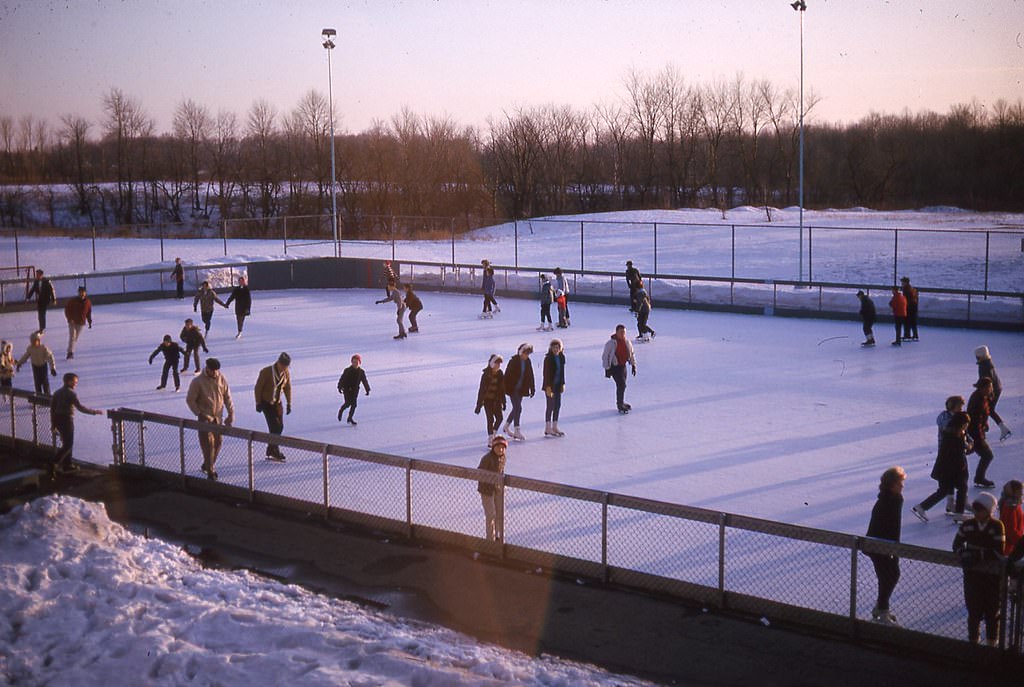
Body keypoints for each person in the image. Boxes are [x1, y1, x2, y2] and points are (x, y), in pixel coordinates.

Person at [952, 492, 1006, 645]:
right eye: (975, 510)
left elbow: (998, 551)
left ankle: (991, 643)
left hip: (992, 576)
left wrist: (977, 555)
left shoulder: (997, 526)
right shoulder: (968, 525)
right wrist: (963, 554)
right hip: (972, 575)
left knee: (992, 611)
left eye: (980, 510)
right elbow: (957, 544)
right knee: (973, 611)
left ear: (989, 511)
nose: (977, 513)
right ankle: (973, 642)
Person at [912, 411, 970, 522]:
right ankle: (958, 513)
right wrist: (967, 447)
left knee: (944, 490)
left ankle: (922, 507)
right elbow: (957, 455)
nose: (967, 426)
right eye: (966, 423)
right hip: (951, 470)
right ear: (961, 423)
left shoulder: (952, 433)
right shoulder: (955, 437)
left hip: (946, 469)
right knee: (960, 488)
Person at [865, 466, 905, 624]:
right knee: (887, 576)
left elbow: (895, 526)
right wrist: (890, 549)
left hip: (888, 545)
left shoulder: (896, 499)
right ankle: (882, 610)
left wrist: (894, 548)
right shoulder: (887, 501)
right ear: (891, 484)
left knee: (892, 574)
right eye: (899, 482)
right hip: (877, 546)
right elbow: (884, 527)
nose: (902, 485)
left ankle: (881, 607)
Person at [186, 357, 234, 480]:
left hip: (218, 418)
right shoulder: (198, 382)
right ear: (207, 368)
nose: (215, 373)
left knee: (218, 442)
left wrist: (231, 413)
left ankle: (207, 464)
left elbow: (227, 397)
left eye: (216, 371)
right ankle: (210, 472)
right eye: (212, 370)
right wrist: (199, 413)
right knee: (208, 444)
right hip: (205, 418)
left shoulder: (221, 378)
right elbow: (190, 400)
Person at [49, 373, 103, 477]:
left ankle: (67, 465)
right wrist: (94, 412)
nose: (76, 384)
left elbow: (52, 409)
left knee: (67, 442)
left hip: (58, 419)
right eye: (74, 381)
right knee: (68, 444)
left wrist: (53, 424)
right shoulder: (71, 394)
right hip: (67, 420)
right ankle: (53, 463)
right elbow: (80, 407)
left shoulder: (57, 393)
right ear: (68, 381)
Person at [254, 352, 292, 462]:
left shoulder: (286, 373)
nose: (285, 368)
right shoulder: (266, 372)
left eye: (286, 366)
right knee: (274, 427)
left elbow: (287, 387)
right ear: (279, 363)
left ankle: (271, 448)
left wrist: (289, 403)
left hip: (277, 403)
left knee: (280, 427)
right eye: (283, 365)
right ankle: (274, 450)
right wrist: (258, 403)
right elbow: (258, 388)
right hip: (266, 403)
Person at [975, 345, 1012, 441]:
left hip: (992, 390)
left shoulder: (984, 366)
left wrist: (987, 393)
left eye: (977, 357)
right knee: (988, 410)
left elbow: (987, 380)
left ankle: (986, 430)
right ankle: (990, 428)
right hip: (996, 388)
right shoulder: (987, 363)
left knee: (987, 410)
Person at [476, 433, 507, 542]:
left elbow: (501, 472)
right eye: (498, 447)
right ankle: (490, 539)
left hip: (497, 489)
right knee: (491, 514)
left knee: (499, 513)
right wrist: (489, 479)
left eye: (503, 448)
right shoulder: (487, 459)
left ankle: (497, 536)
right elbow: (479, 473)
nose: (501, 450)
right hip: (486, 490)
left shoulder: (503, 458)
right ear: (493, 447)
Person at [967, 377, 997, 488]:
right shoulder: (978, 400)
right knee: (987, 455)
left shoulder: (983, 397)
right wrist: (979, 437)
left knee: (983, 454)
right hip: (975, 433)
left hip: (977, 432)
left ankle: (979, 477)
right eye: (989, 387)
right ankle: (979, 478)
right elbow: (975, 420)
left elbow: (982, 415)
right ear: (983, 387)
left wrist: (985, 423)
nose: (991, 389)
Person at [502, 343, 535, 441]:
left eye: (528, 354)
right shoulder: (514, 361)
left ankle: (506, 426)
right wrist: (504, 388)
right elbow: (507, 375)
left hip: (521, 389)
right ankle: (516, 429)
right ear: (521, 352)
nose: (526, 356)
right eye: (525, 353)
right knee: (518, 408)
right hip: (512, 389)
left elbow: (530, 375)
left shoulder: (528, 362)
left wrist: (532, 388)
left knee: (516, 408)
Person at [602, 324, 638, 414]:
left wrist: (633, 365)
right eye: (621, 332)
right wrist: (607, 368)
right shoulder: (610, 343)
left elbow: (631, 353)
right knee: (621, 385)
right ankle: (620, 404)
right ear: (616, 332)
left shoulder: (627, 342)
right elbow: (605, 356)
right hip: (614, 367)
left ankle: (621, 402)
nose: (623, 334)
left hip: (623, 366)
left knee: (622, 385)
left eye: (624, 332)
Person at [475, 353, 506, 447]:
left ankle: (494, 433)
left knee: (499, 418)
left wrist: (504, 402)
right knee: (490, 419)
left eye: (499, 364)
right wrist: (479, 405)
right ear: (492, 364)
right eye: (496, 364)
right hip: (488, 401)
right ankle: (491, 438)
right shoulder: (486, 375)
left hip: (497, 401)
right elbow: (481, 390)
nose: (498, 366)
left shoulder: (500, 374)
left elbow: (502, 389)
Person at [15, 331, 57, 395]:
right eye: (32, 341)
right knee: (37, 382)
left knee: (45, 382)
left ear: (38, 340)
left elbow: (50, 358)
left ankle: (47, 396)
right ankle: (39, 397)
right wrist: (19, 363)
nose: (33, 343)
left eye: (35, 341)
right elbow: (25, 356)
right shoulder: (30, 348)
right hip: (35, 367)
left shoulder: (43, 348)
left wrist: (52, 368)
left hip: (43, 366)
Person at [337, 354, 371, 425]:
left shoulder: (361, 372)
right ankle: (341, 410)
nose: (355, 364)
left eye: (356, 362)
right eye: (353, 362)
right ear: (351, 362)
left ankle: (350, 418)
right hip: (346, 390)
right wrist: (339, 387)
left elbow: (364, 381)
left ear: (359, 363)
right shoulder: (347, 370)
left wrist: (367, 389)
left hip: (355, 391)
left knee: (354, 405)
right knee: (348, 403)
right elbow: (342, 379)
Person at [542, 338, 566, 437]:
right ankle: (548, 427)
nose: (556, 349)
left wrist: (562, 383)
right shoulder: (548, 358)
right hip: (550, 386)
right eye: (554, 347)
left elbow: (562, 372)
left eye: (557, 347)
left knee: (557, 405)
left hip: (558, 385)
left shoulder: (561, 357)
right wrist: (548, 387)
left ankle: (555, 426)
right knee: (550, 406)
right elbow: (546, 373)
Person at [63, 286, 92, 360]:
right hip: (72, 322)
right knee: (72, 337)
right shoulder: (73, 301)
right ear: (78, 293)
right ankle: (70, 353)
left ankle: (70, 349)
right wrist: (69, 319)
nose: (82, 294)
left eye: (83, 292)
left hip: (81, 323)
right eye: (80, 292)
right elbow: (67, 310)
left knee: (75, 338)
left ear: (85, 293)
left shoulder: (88, 302)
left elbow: (88, 312)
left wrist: (89, 321)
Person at [26, 269, 56, 333]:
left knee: (42, 314)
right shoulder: (36, 282)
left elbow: (52, 290)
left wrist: (54, 299)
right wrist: (28, 297)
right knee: (40, 315)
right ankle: (41, 327)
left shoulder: (47, 281)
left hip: (45, 300)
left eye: (38, 274)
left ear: (41, 275)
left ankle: (42, 328)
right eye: (36, 275)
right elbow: (33, 289)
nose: (37, 276)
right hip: (40, 300)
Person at [999, 480, 1023, 556]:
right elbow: (1011, 531)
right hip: (1009, 549)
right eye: (1019, 491)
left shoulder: (1014, 504)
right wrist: (1021, 543)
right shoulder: (1011, 507)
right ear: (1013, 492)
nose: (1022, 493)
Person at [900, 276, 919, 341]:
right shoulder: (911, 289)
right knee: (913, 322)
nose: (901, 284)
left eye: (902, 282)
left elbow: (906, 300)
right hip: (913, 308)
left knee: (907, 321)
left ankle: (907, 335)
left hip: (909, 308)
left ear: (905, 283)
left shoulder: (906, 290)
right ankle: (915, 335)